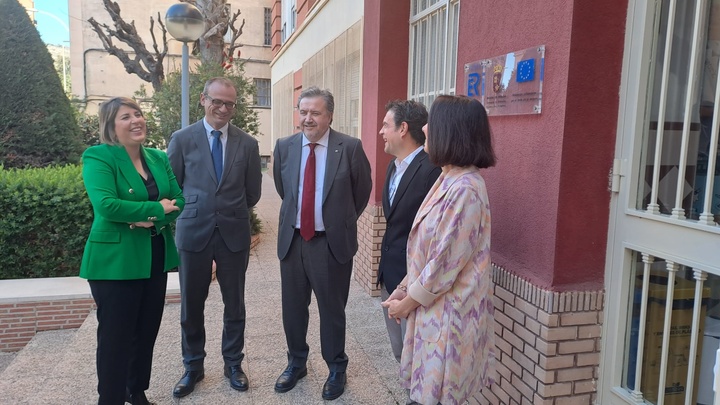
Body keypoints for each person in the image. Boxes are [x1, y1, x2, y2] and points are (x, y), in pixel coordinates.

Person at [382, 95, 497, 405]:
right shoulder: (448, 177)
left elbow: (443, 264)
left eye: (433, 122)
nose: (427, 128)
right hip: (433, 312)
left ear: (451, 131)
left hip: (448, 321)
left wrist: (405, 305)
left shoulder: (466, 188)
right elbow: (427, 250)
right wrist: (403, 288)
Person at [80, 97, 184, 405]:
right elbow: (107, 205)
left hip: (155, 255)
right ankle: (110, 399)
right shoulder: (99, 157)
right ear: (111, 126)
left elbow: (179, 200)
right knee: (116, 338)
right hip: (115, 262)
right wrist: (155, 209)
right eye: (126, 117)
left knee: (145, 331)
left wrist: (144, 216)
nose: (136, 120)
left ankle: (136, 392)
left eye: (138, 114)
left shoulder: (157, 157)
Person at [272, 86, 372, 400]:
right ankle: (296, 363)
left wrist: (334, 221)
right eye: (303, 112)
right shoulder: (284, 147)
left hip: (330, 245)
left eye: (315, 112)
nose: (308, 118)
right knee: (293, 309)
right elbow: (283, 189)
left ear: (329, 115)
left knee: (332, 311)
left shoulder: (350, 147)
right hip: (293, 241)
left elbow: (361, 193)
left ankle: (336, 367)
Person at [167, 77, 262, 397]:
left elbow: (252, 193)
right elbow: (173, 187)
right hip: (194, 232)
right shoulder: (181, 139)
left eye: (230, 104)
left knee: (234, 304)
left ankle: (233, 364)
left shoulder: (247, 144)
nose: (223, 108)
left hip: (233, 233)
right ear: (203, 100)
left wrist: (227, 210)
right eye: (217, 102)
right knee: (191, 305)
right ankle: (192, 366)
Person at [377, 100, 440, 363]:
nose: (381, 132)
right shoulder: (393, 166)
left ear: (403, 129)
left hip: (414, 282)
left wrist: (410, 284)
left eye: (385, 125)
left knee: (417, 356)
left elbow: (433, 232)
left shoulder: (432, 170)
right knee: (400, 352)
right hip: (389, 276)